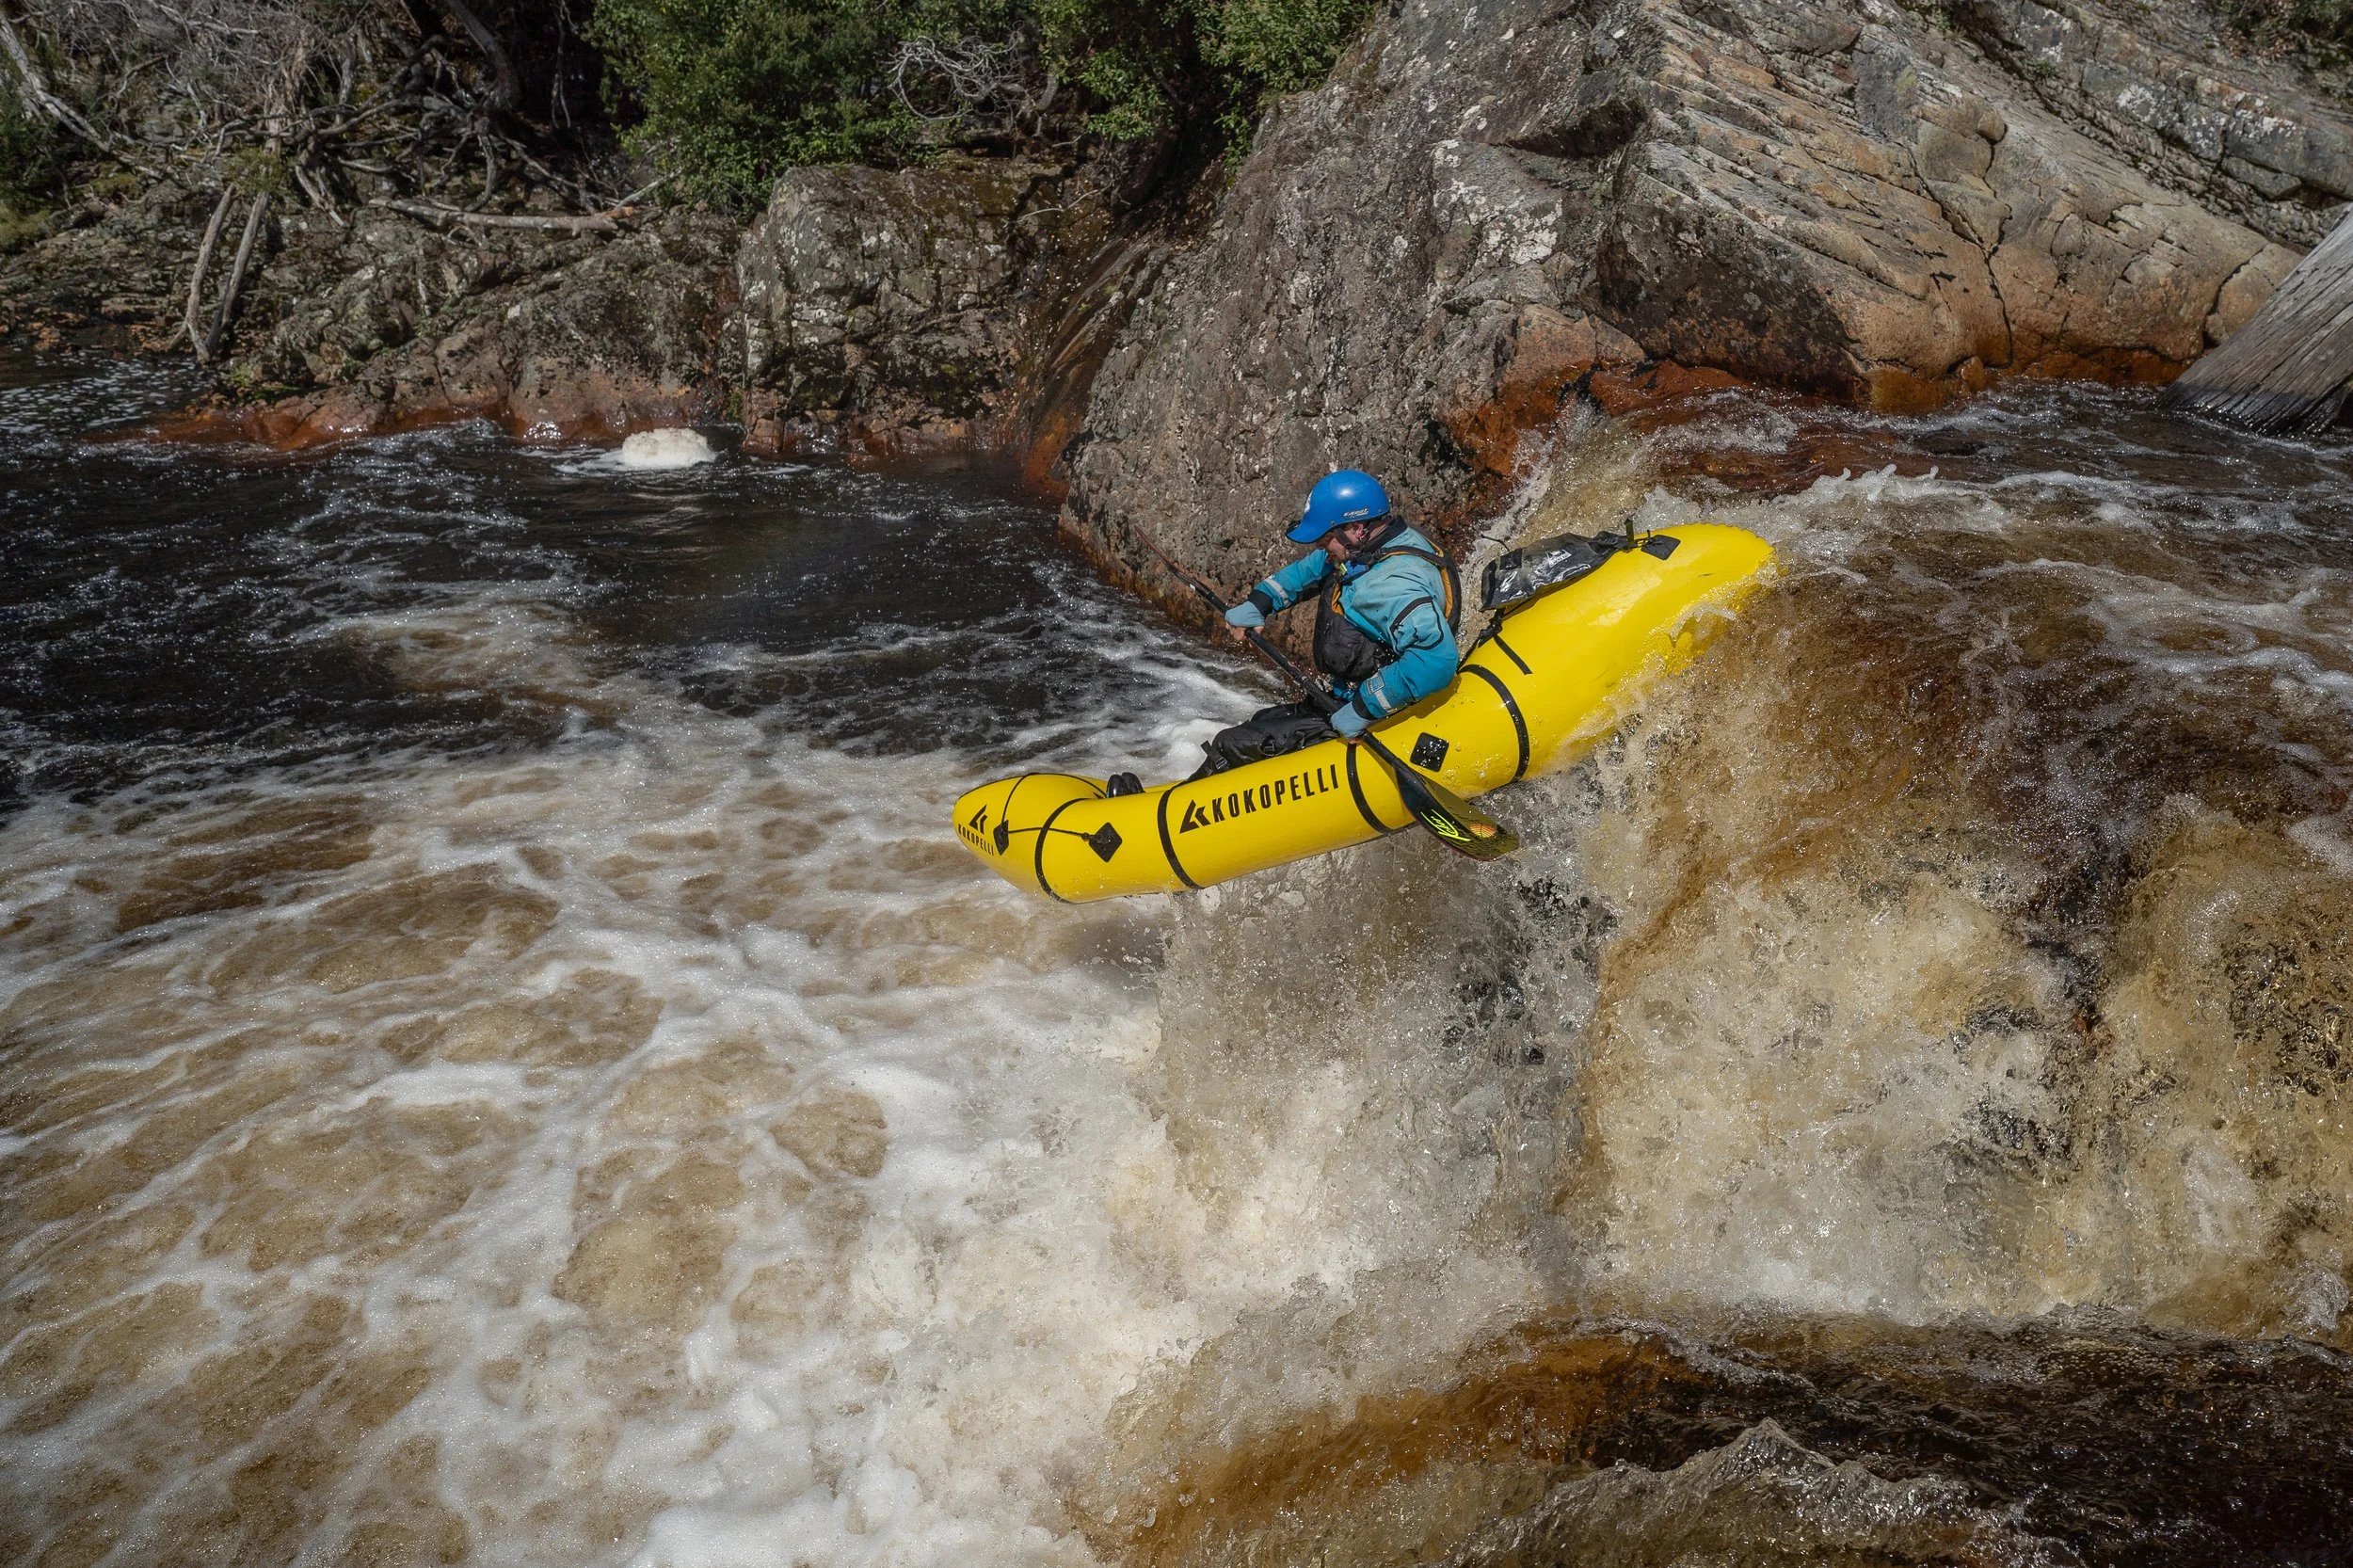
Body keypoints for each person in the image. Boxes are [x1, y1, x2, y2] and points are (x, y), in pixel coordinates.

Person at [1191, 469, 1459, 778]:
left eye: (1325, 538)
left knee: (1232, 745)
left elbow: (1436, 661)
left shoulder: (1390, 586)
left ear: (1357, 527)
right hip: (1343, 700)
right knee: (1260, 722)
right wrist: (1261, 602)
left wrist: (1364, 708)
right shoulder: (1377, 546)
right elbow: (1314, 568)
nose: (1320, 546)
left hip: (1371, 715)